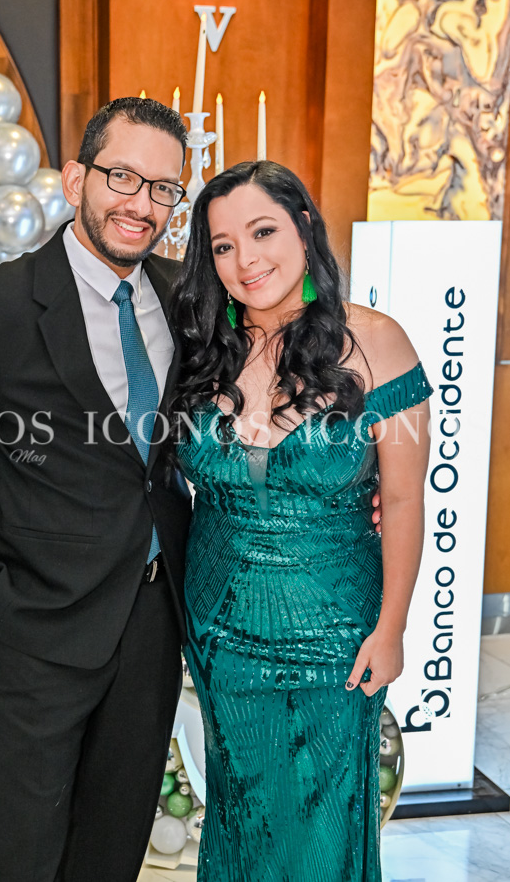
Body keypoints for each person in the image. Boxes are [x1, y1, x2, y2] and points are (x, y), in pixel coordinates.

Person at [0, 97, 194, 882]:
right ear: (76, 180)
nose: (141, 204)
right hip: (34, 629)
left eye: (163, 188)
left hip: (152, 622)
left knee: (112, 848)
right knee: (22, 856)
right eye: (123, 177)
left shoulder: (185, 298)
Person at [169, 161, 432, 882]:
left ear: (304, 228)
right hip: (219, 626)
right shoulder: (198, 348)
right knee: (242, 812)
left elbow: (403, 501)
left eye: (263, 232)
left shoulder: (376, 341)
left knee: (326, 822)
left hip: (336, 629)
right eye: (223, 246)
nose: (245, 260)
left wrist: (391, 629)